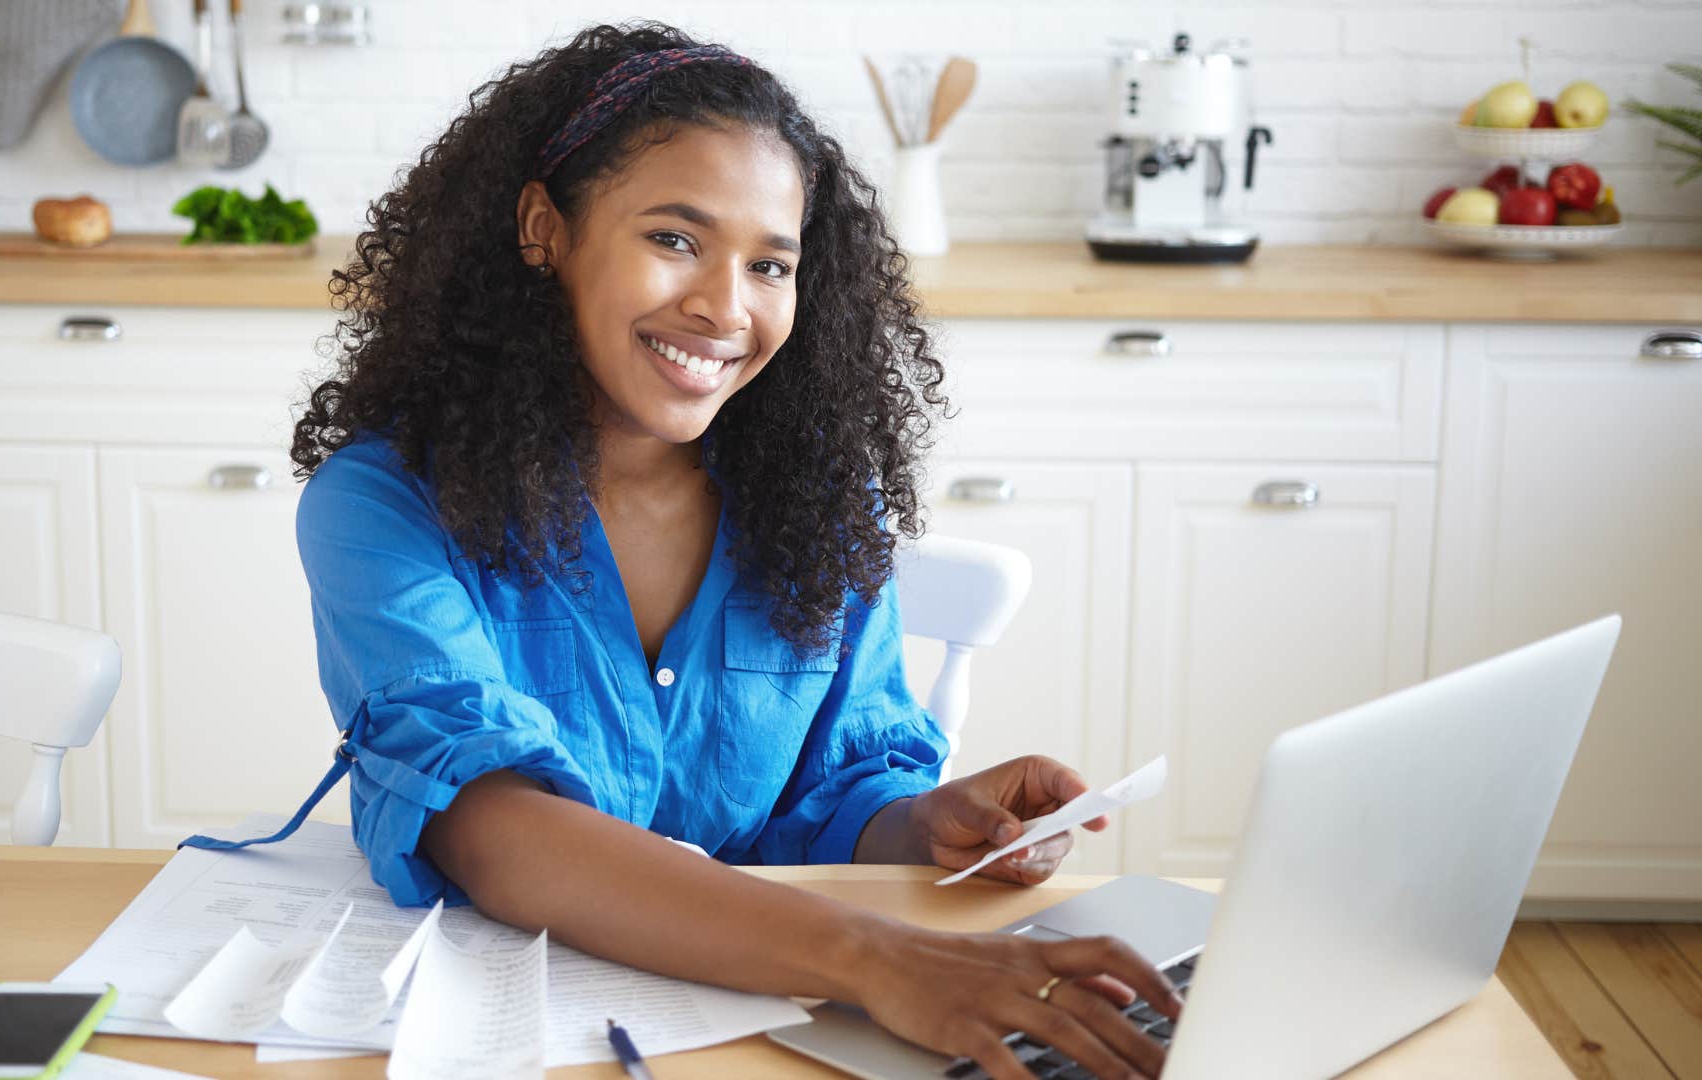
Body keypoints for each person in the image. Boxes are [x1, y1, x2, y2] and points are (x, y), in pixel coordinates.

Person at [275, 22, 1179, 1080]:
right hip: (509, 1040)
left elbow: (841, 796)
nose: (725, 307)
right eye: (674, 239)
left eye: (770, 264)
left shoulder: (821, 507)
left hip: (775, 1034)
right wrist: (883, 962)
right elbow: (493, 830)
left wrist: (926, 825)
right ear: (543, 229)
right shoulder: (383, 506)